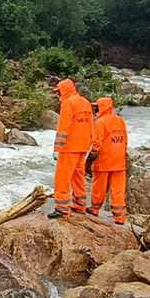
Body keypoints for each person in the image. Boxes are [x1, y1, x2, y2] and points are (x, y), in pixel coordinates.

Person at [49, 79, 94, 219]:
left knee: (62, 177)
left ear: (64, 90)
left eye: (58, 92)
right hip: (83, 146)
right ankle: (80, 205)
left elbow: (64, 126)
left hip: (70, 146)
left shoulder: (68, 103)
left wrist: (58, 148)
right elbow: (91, 125)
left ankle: (62, 209)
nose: (58, 95)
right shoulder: (85, 102)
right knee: (78, 176)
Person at [86, 97, 128, 224]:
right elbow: (125, 140)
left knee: (99, 186)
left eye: (97, 107)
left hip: (104, 160)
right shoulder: (120, 121)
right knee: (118, 190)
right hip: (119, 161)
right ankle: (120, 217)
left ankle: (94, 209)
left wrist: (89, 161)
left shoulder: (100, 122)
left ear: (101, 108)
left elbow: (97, 145)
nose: (95, 110)